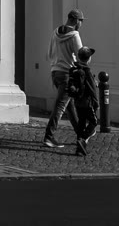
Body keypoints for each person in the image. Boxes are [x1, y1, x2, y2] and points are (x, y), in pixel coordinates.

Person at [42, 8, 87, 148]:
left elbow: (49, 53)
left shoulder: (55, 32)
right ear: (75, 20)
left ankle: (81, 135)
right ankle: (49, 136)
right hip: (67, 74)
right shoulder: (74, 35)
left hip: (55, 72)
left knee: (70, 106)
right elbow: (81, 56)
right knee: (60, 107)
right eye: (81, 21)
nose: (81, 24)